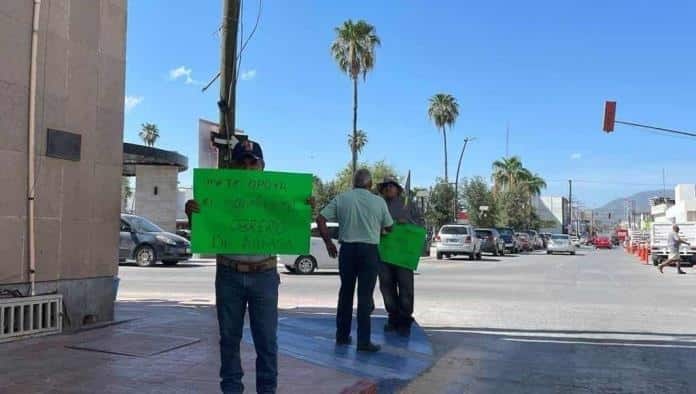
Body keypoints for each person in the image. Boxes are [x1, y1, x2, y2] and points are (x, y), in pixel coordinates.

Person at [186, 140, 312, 394]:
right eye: (241, 162)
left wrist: (304, 207)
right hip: (228, 274)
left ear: (262, 167)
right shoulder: (217, 194)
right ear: (232, 166)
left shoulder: (279, 197)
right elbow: (206, 230)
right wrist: (194, 214)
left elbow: (292, 224)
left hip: (264, 276)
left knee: (267, 342)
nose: (246, 167)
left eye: (252, 162)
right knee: (229, 341)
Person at [316, 168, 393, 352]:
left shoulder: (342, 199)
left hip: (347, 251)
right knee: (365, 297)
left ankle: (342, 336)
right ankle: (363, 342)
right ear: (370, 184)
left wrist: (328, 243)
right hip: (369, 251)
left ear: (353, 183)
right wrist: (378, 230)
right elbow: (389, 226)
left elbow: (320, 219)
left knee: (346, 294)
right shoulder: (378, 202)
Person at [376, 176, 422, 337]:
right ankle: (392, 316)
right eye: (385, 186)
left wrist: (408, 222)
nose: (388, 188)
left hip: (404, 255)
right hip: (384, 254)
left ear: (397, 188)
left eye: (391, 185)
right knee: (386, 286)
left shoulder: (408, 204)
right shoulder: (378, 204)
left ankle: (405, 318)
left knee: (405, 287)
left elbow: (421, 226)